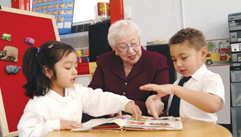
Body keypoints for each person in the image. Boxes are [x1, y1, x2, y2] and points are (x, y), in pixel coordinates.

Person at [17, 41, 141, 137]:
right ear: (48, 71)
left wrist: (124, 103)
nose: (75, 72)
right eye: (67, 68)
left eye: (75, 67)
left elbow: (98, 98)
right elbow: (26, 132)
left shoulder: (76, 92)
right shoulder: (39, 103)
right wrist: (56, 124)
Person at [87, 19, 170, 119]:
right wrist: (111, 105)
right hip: (112, 123)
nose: (130, 51)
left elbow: (163, 97)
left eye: (134, 43)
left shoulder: (157, 61)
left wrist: (153, 100)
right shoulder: (104, 61)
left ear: (139, 39)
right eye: (123, 47)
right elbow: (93, 93)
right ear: (115, 49)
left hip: (146, 120)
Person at [140, 28, 225, 123]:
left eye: (184, 58)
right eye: (174, 59)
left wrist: (175, 89)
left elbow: (213, 105)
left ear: (203, 53)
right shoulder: (177, 83)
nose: (178, 64)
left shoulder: (211, 78)